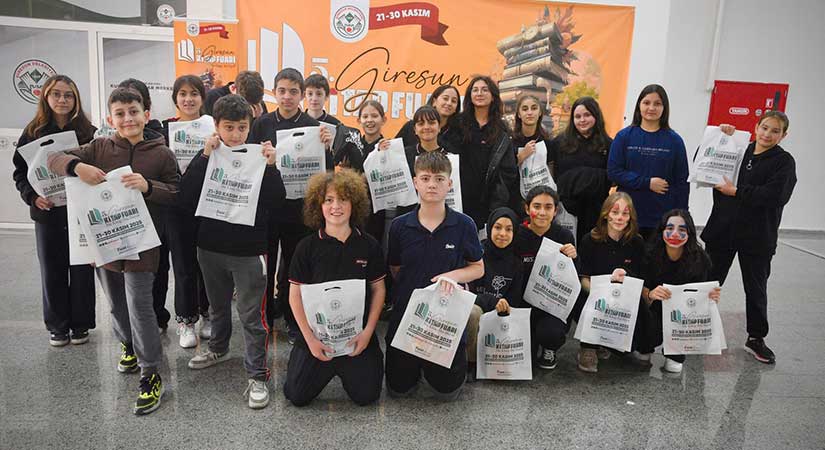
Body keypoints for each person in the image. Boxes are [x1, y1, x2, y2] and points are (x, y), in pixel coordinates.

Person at [48, 87, 179, 415]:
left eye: (133, 111)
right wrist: (77, 167)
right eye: (120, 114)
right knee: (117, 306)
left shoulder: (162, 154)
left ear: (146, 114)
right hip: (105, 245)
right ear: (110, 119)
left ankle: (151, 373)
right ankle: (128, 345)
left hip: (143, 245)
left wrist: (149, 187)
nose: (128, 119)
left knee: (140, 306)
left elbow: (178, 194)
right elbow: (53, 159)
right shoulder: (99, 148)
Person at [180, 94, 286, 409]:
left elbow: (277, 202)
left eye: (242, 127)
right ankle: (219, 348)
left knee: (252, 316)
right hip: (210, 246)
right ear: (216, 125)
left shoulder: (259, 156)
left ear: (250, 126)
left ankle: (257, 375)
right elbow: (186, 196)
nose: (236, 134)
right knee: (217, 307)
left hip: (249, 250)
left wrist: (271, 167)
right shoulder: (208, 154)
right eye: (229, 127)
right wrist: (203, 156)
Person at [385, 151, 484, 400]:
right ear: (415, 182)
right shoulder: (399, 226)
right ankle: (413, 367)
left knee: (447, 391)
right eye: (425, 178)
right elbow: (395, 268)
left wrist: (452, 276)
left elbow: (478, 267)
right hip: (407, 315)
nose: (432, 184)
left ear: (449, 184)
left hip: (445, 318)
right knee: (399, 390)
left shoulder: (464, 225)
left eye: (439, 179)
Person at [284, 169, 386, 406]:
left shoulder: (369, 245)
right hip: (318, 336)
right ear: (318, 205)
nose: (336, 206)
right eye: (328, 200)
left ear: (354, 204)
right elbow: (294, 296)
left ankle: (349, 367)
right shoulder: (306, 247)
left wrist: (368, 332)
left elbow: (379, 290)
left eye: (343, 199)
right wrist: (309, 340)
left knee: (367, 397)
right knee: (296, 396)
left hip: (356, 336)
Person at [701, 112, 796, 364]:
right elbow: (704, 163)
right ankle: (697, 326)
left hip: (757, 237)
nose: (767, 134)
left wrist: (737, 191)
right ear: (756, 127)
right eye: (764, 127)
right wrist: (718, 137)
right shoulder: (738, 148)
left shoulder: (784, 162)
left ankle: (756, 338)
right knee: (708, 282)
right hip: (722, 230)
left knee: (755, 289)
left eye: (775, 131)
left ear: (783, 135)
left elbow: (776, 195)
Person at [247, 68, 333, 339]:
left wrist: (327, 149)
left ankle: (294, 318)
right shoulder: (261, 124)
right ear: (274, 92)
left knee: (295, 267)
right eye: (282, 91)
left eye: (293, 92)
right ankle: (265, 317)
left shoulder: (313, 127)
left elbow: (325, 172)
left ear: (301, 94)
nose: (287, 97)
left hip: (300, 210)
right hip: (268, 208)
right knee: (266, 266)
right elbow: (249, 163)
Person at [12, 74, 97, 347]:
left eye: (68, 95)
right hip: (48, 214)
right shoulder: (32, 133)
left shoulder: (88, 132)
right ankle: (58, 326)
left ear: (76, 99)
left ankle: (81, 324)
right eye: (57, 94)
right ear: (46, 97)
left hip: (80, 214)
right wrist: (32, 197)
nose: (62, 100)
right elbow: (20, 174)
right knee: (52, 270)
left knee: (82, 268)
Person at [153, 74, 212, 347]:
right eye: (183, 94)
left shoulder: (213, 127)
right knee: (183, 265)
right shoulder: (164, 130)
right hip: (176, 206)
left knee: (208, 264)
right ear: (175, 98)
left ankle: (207, 313)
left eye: (194, 93)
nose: (189, 99)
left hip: (209, 203)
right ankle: (186, 321)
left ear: (202, 97)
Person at [642, 209, 721, 373]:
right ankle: (645, 345)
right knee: (642, 354)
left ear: (690, 233)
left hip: (682, 316)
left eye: (682, 229)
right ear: (662, 230)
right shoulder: (649, 254)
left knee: (675, 367)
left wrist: (710, 297)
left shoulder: (700, 259)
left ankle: (675, 353)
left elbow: (700, 300)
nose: (675, 234)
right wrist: (650, 294)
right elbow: (639, 290)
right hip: (653, 309)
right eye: (670, 228)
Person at [576, 192, 646, 373]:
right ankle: (588, 347)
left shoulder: (637, 242)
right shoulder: (589, 240)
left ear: (631, 217)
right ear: (606, 214)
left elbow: (639, 278)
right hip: (593, 294)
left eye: (625, 213)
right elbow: (583, 278)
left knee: (628, 349)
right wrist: (601, 294)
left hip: (623, 298)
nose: (620, 218)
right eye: (615, 212)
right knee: (589, 304)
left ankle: (607, 343)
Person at [607, 84, 688, 239]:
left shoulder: (675, 141)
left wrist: (683, 215)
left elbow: (682, 182)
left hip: (661, 218)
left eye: (657, 104)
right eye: (646, 103)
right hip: (627, 216)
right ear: (639, 105)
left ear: (664, 108)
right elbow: (614, 172)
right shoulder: (624, 137)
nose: (651, 108)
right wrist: (647, 183)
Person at [513, 185, 577, 370]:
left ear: (555, 211)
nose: (542, 212)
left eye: (548, 207)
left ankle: (550, 348)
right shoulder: (516, 235)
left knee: (551, 333)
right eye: (537, 206)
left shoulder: (564, 235)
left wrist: (574, 258)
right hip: (522, 303)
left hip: (551, 305)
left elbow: (572, 278)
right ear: (527, 209)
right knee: (524, 358)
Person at [466, 207, 523, 382]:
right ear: (489, 228)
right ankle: (470, 362)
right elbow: (466, 293)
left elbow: (515, 301)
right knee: (473, 313)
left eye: (509, 229)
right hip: (477, 309)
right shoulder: (477, 253)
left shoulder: (516, 263)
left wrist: (503, 306)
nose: (502, 234)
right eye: (497, 227)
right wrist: (492, 301)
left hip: (499, 317)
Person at [547, 96, 612, 244]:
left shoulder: (608, 144)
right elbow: (551, 172)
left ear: (596, 116)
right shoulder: (559, 143)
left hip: (595, 210)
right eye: (577, 116)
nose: (582, 120)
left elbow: (612, 178)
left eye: (587, 115)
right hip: (565, 210)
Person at [395, 84, 461, 149]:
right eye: (445, 98)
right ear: (434, 101)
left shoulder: (459, 133)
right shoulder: (410, 127)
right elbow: (394, 150)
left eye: (453, 101)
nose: (449, 103)